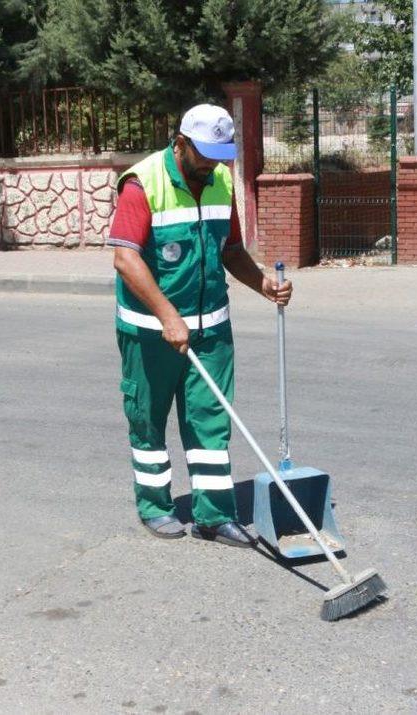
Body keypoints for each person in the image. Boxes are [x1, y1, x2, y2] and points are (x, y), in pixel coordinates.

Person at [108, 103, 293, 547]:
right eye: (205, 153)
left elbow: (229, 250)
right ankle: (154, 505)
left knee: (211, 422)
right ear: (181, 143)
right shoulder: (142, 183)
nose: (212, 162)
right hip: (150, 334)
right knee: (148, 420)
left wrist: (262, 282)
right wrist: (167, 316)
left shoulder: (221, 181)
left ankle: (213, 515)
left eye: (219, 153)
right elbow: (125, 257)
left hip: (210, 331)